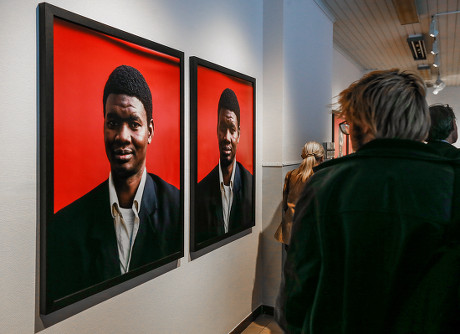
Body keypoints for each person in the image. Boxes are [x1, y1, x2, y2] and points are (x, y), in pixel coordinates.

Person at [277, 69, 460, 333]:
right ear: (419, 122)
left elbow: (295, 298)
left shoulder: (325, 184)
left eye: (349, 123)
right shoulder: (452, 183)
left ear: (363, 124)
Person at [47, 65, 181, 304]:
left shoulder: (180, 209)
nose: (122, 136)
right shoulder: (65, 227)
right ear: (103, 127)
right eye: (113, 123)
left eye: (134, 123)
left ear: (150, 131)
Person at [194, 88, 254, 246]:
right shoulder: (200, 192)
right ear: (216, 130)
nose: (227, 138)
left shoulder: (252, 185)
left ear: (239, 134)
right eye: (222, 129)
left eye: (232, 130)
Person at [274, 141, 324, 247]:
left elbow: (284, 206)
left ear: (303, 156)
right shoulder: (323, 177)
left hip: (290, 234)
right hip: (314, 235)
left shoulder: (291, 175)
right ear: (322, 158)